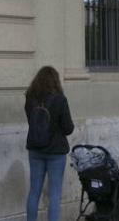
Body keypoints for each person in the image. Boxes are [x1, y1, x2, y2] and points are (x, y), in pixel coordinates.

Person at [24, 66, 75, 221]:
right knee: (54, 194)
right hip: (56, 152)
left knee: (34, 192)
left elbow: (31, 123)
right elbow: (67, 128)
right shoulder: (60, 99)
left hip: (35, 150)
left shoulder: (30, 98)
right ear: (55, 81)